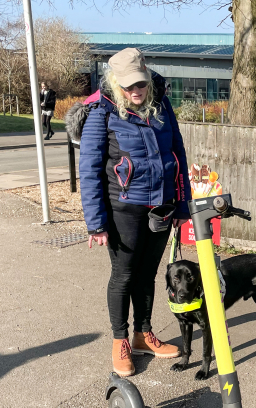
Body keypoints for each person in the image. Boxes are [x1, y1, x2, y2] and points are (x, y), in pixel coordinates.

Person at [79, 48, 192, 377]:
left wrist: (182, 205)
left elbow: (178, 153)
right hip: (123, 208)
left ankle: (144, 335)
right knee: (124, 275)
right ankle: (120, 340)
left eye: (141, 83)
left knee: (147, 275)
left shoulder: (162, 103)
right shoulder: (102, 109)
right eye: (129, 86)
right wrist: (96, 223)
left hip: (162, 205)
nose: (136, 91)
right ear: (115, 83)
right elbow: (89, 169)